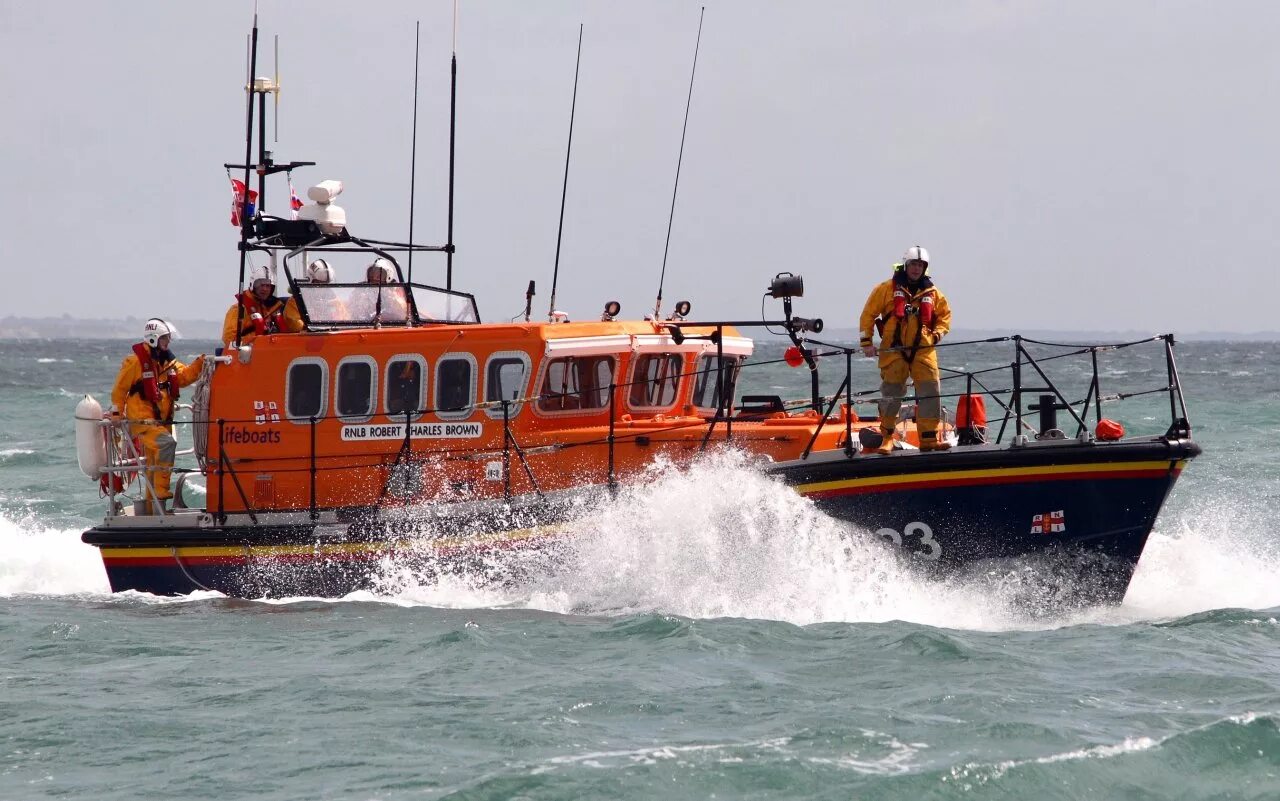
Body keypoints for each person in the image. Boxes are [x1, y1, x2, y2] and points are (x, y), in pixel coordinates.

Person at [858, 245, 953, 453]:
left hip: (924, 350)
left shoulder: (934, 293)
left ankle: (929, 440)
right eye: (913, 264)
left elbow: (944, 317)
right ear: (905, 265)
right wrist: (867, 343)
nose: (916, 269)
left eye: (920, 265)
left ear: (924, 268)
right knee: (891, 393)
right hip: (894, 349)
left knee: (930, 392)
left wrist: (937, 334)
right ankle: (887, 438)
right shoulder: (885, 289)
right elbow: (868, 315)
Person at [111, 319, 206, 514]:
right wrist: (116, 414)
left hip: (161, 421)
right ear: (153, 339)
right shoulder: (135, 362)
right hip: (143, 420)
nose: (167, 342)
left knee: (154, 465)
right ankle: (161, 497)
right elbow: (119, 390)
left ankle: (151, 510)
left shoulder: (168, 363)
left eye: (168, 338)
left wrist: (201, 363)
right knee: (166, 444)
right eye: (164, 338)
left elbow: (184, 377)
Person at [221, 266, 303, 348]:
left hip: (271, 351)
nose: (264, 289)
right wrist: (253, 343)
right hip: (248, 355)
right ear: (253, 285)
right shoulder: (239, 309)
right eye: (261, 285)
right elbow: (229, 339)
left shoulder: (273, 308)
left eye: (268, 286)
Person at [285, 258, 348, 325]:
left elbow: (344, 321)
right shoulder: (296, 302)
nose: (323, 288)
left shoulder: (336, 302)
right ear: (310, 281)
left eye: (326, 284)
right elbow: (295, 325)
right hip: (309, 335)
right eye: (319, 283)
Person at [349, 257, 409, 323]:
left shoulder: (394, 292)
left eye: (380, 274)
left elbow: (401, 313)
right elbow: (355, 314)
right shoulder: (362, 292)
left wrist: (384, 314)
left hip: (390, 325)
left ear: (388, 275)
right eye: (372, 273)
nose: (375, 277)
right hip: (366, 325)